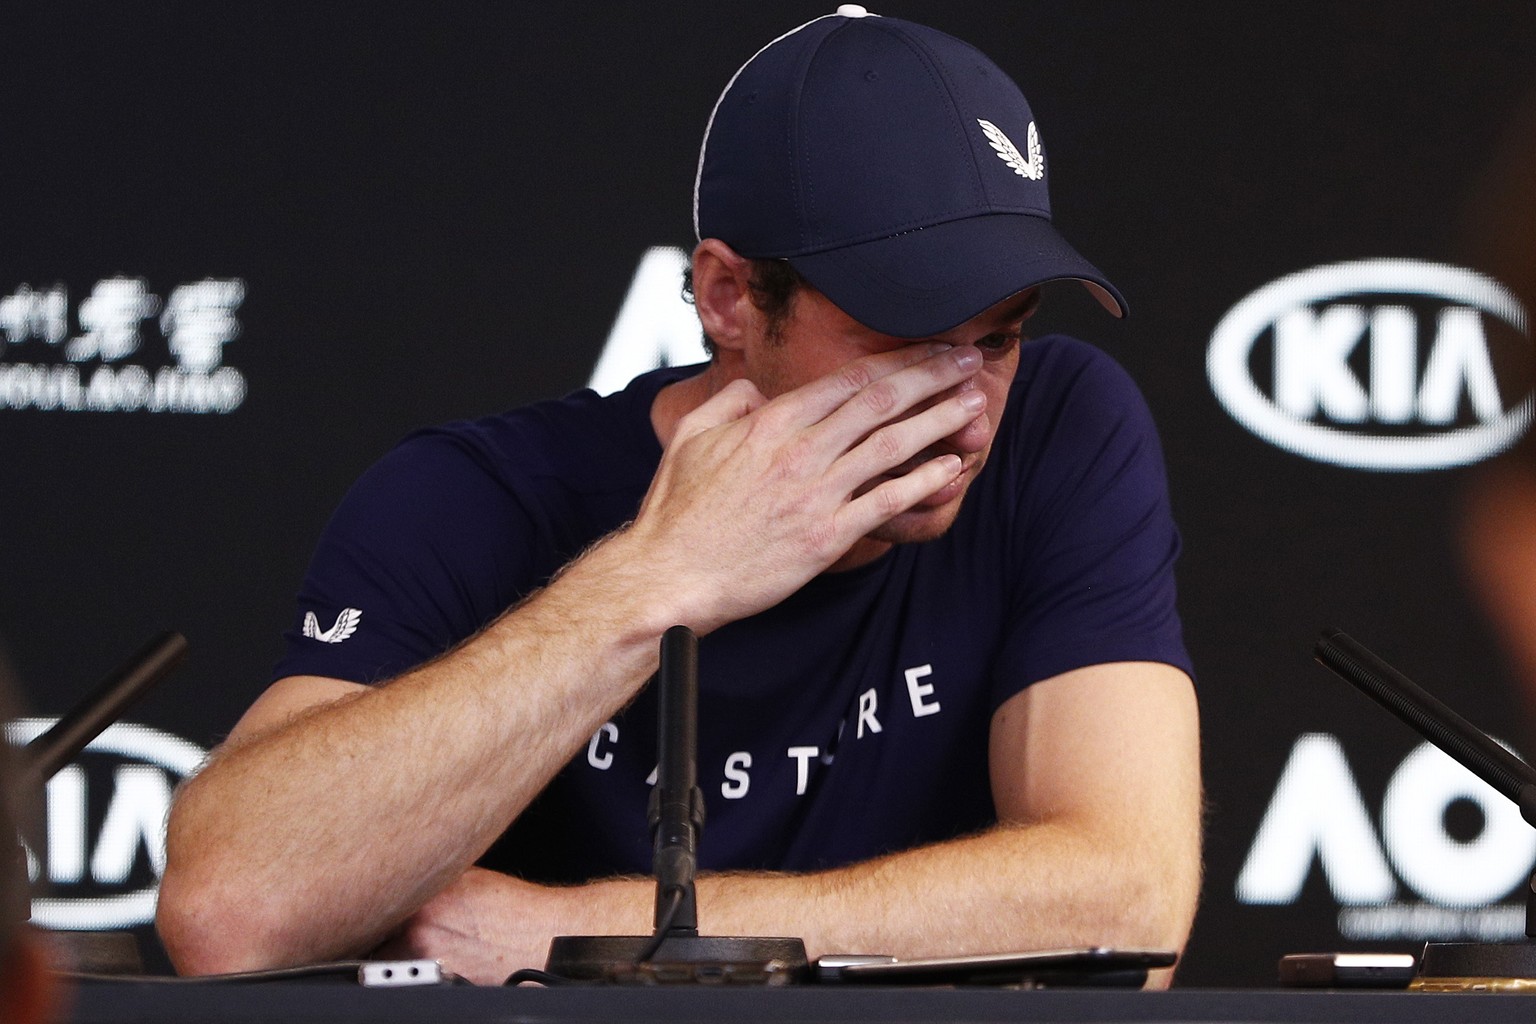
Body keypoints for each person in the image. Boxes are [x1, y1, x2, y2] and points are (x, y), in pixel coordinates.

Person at [156, 7, 1202, 987]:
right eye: (903, 345)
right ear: (729, 297)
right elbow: (231, 909)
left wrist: (591, 935)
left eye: (998, 339)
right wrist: (659, 576)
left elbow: (1129, 906)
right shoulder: (479, 498)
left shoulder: (1058, 430)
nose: (966, 412)